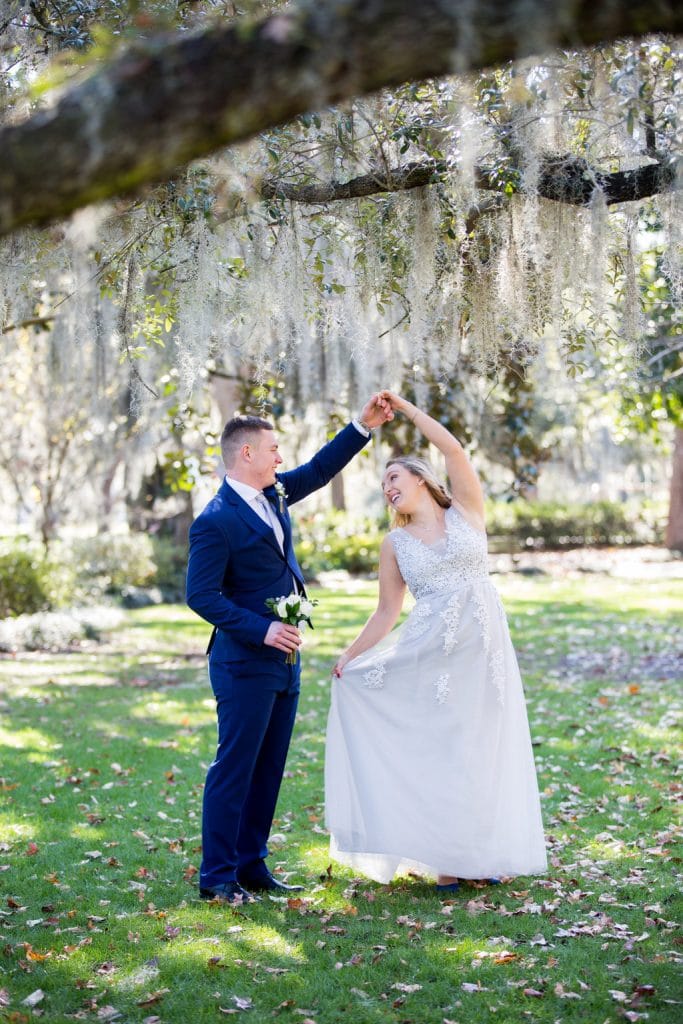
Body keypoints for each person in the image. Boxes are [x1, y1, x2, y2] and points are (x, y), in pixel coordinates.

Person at [325, 390, 547, 889]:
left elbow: (455, 453)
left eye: (394, 478)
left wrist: (407, 411)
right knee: (445, 749)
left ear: (421, 480)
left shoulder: (466, 511)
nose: (387, 488)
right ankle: (448, 861)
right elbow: (386, 612)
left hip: (485, 653)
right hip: (431, 655)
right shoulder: (395, 544)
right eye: (382, 484)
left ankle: (480, 854)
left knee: (482, 749)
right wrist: (351, 654)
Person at [186, 395, 392, 904]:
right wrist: (260, 630)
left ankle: (251, 866)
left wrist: (361, 428)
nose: (281, 458)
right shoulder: (214, 520)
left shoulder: (275, 493)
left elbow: (320, 470)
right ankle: (216, 878)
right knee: (235, 768)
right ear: (248, 453)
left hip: (286, 659)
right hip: (242, 663)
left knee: (270, 766)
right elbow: (200, 595)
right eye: (274, 449)